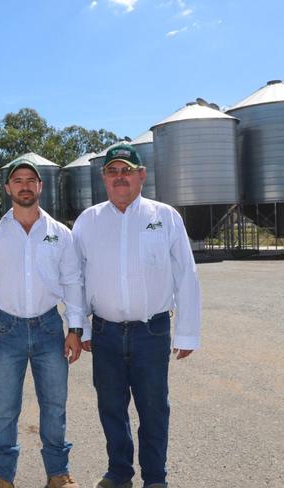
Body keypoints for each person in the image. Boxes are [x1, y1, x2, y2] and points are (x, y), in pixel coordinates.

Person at [72, 144, 201, 488]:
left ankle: (155, 478)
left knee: (154, 409)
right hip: (105, 333)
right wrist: (80, 326)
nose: (120, 177)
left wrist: (187, 333)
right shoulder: (88, 221)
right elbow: (76, 278)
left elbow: (185, 274)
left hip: (152, 332)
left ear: (141, 175)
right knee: (111, 408)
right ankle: (118, 473)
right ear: (104, 178)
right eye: (113, 171)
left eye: (127, 171)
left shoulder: (165, 217)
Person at [0, 159, 85, 488]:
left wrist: (75, 329)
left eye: (31, 180)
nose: (24, 185)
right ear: (7, 188)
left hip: (50, 329)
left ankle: (58, 474)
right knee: (4, 409)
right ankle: (2, 476)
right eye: (17, 180)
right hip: (7, 331)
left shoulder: (60, 234)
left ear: (40, 186)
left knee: (55, 406)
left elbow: (73, 283)